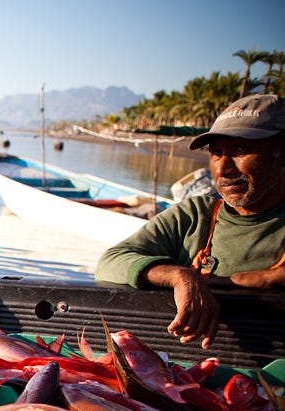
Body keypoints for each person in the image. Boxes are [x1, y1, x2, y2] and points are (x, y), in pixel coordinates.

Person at [95, 93, 285, 349]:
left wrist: (268, 279)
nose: (223, 169)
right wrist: (180, 276)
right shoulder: (194, 215)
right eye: (216, 153)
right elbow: (110, 261)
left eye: (240, 150)